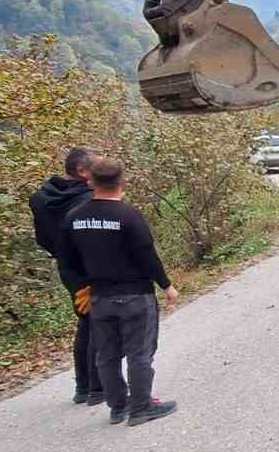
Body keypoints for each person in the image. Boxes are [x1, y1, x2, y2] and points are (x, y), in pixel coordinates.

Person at [61, 157, 180, 427]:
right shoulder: (128, 216)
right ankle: (141, 408)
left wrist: (81, 286)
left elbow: (67, 260)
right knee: (139, 353)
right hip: (135, 295)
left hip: (99, 297)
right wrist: (166, 285)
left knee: (107, 355)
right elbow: (147, 256)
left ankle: (118, 407)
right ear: (123, 182)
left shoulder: (75, 217)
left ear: (91, 182)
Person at [29, 146, 103, 407]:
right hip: (92, 267)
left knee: (86, 322)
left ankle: (83, 387)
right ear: (82, 171)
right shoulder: (88, 199)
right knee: (99, 322)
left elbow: (42, 239)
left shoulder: (41, 198)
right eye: (98, 165)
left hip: (68, 268)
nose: (102, 169)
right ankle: (96, 387)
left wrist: (62, 255)